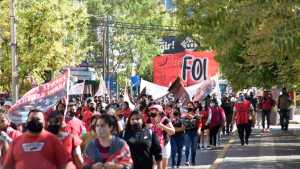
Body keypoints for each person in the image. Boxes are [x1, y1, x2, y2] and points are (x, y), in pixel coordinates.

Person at [3, 109, 72, 169]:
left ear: (44, 123)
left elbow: (66, 164)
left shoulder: (53, 140)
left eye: (38, 119)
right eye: (32, 118)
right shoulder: (16, 142)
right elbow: (7, 167)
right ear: (27, 121)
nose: (35, 121)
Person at [149, 104, 175, 169]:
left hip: (164, 145)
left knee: (163, 167)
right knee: (153, 165)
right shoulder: (151, 118)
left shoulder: (165, 119)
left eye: (155, 110)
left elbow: (173, 131)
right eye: (151, 111)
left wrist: (162, 126)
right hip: (154, 145)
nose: (152, 112)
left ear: (160, 112)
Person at [181, 102, 200, 166]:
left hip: (194, 132)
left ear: (193, 107)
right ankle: (187, 160)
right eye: (188, 106)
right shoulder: (184, 115)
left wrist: (199, 129)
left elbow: (200, 123)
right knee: (187, 147)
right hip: (187, 132)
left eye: (191, 106)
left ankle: (193, 160)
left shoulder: (196, 115)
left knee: (194, 148)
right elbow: (183, 123)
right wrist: (186, 117)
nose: (189, 107)